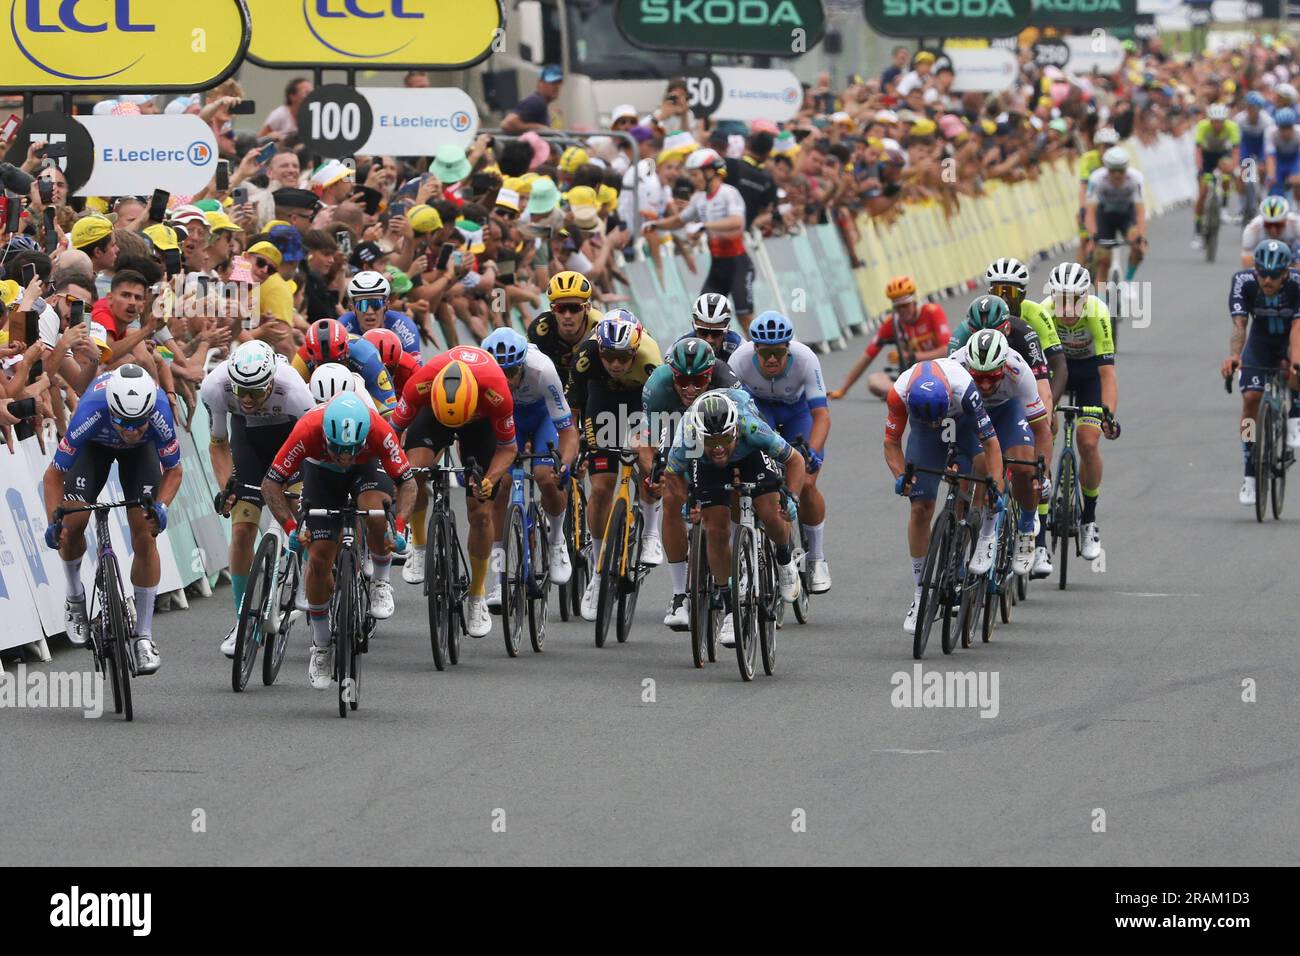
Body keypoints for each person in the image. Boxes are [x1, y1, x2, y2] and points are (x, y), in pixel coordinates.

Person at [262, 394, 416, 689]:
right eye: (339, 449)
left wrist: (397, 525)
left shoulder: (378, 430)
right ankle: (321, 645)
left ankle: (381, 581)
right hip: (321, 473)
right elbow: (271, 483)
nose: (345, 456)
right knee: (319, 557)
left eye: (350, 450)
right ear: (326, 436)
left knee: (376, 515)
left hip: (367, 468)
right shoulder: (308, 428)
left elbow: (407, 481)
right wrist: (291, 527)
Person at [42, 365, 183, 675]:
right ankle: (75, 596)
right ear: (111, 409)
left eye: (138, 424)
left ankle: (144, 637)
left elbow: (174, 469)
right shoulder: (91, 410)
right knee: (71, 526)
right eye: (123, 422)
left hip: (141, 456)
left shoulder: (158, 409)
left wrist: (162, 505)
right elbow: (53, 474)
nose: (131, 431)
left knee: (146, 533)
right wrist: (54, 519)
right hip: (94, 448)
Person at [392, 348, 519, 636]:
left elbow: (508, 448)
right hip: (433, 417)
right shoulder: (419, 385)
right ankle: (420, 545)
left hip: (480, 426)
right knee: (413, 472)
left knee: (481, 512)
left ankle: (476, 595)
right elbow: (392, 435)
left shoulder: (496, 391)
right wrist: (400, 474)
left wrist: (489, 479)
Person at [663, 390, 806, 646]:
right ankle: (730, 609)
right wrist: (688, 502)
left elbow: (796, 461)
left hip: (750, 455)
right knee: (716, 529)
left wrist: (793, 498)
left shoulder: (750, 426)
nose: (718, 447)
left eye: (724, 438)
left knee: (771, 511)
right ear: (699, 436)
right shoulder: (688, 435)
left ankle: (784, 559)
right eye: (711, 440)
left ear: (735, 432)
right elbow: (672, 474)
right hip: (706, 468)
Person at [204, 340, 315, 658]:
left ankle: (314, 585)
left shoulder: (293, 387)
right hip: (248, 445)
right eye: (241, 391)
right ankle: (242, 620)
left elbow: (313, 443)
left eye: (256, 391)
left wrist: (307, 490)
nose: (248, 399)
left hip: (290, 442)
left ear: (271, 381)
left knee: (300, 515)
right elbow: (218, 444)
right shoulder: (215, 386)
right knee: (241, 530)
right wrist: (228, 488)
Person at [883, 358, 1003, 635]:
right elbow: (891, 443)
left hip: (962, 423)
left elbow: (991, 443)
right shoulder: (899, 393)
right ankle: (919, 594)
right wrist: (902, 476)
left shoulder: (965, 388)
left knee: (982, 466)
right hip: (924, 431)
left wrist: (994, 484)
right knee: (920, 508)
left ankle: (986, 529)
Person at [640, 336, 742, 629]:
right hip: (677, 430)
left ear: (710, 375)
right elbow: (650, 439)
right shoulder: (657, 388)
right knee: (671, 498)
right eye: (682, 381)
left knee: (731, 485)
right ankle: (679, 595)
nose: (689, 388)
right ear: (672, 375)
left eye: (698, 381)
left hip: (719, 433)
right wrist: (655, 471)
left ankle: (735, 555)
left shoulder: (727, 381)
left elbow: (740, 432)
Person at [567, 311, 663, 621]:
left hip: (642, 402)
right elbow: (574, 409)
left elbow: (661, 406)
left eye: (624, 357)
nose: (616, 364)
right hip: (602, 400)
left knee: (648, 462)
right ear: (600, 350)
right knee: (601, 486)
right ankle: (598, 571)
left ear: (635, 350)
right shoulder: (586, 356)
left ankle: (650, 532)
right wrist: (575, 446)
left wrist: (648, 444)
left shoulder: (650, 356)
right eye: (609, 356)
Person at [729, 312, 832, 593]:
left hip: (797, 411)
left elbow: (821, 414)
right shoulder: (738, 361)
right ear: (755, 349)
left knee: (807, 483)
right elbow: (731, 412)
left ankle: (816, 558)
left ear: (788, 349)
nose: (772, 359)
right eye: (765, 353)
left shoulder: (806, 358)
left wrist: (811, 451)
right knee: (758, 481)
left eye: (778, 352)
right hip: (761, 412)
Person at [480, 327, 578, 603]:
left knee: (545, 476)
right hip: (507, 419)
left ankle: (557, 540)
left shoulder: (543, 370)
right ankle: (499, 579)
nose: (507, 381)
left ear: (523, 365)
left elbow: (568, 429)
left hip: (542, 416)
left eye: (512, 372)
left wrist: (566, 462)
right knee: (499, 488)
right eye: (500, 374)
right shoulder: (480, 374)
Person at [1038, 263, 1120, 563]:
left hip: (1087, 374)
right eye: (1061, 298)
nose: (1067, 306)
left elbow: (1107, 375)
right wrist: (1044, 410)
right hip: (1052, 372)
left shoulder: (1097, 313)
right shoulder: (1043, 312)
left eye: (1074, 298)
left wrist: (1108, 414)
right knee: (1043, 433)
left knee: (1087, 442)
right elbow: (1035, 371)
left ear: (1085, 298)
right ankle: (1038, 535)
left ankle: (1088, 521)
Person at [949, 329, 1049, 573]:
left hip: (1006, 410)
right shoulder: (954, 368)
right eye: (978, 377)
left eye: (992, 377)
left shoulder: (1019, 370)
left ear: (1003, 367)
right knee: (971, 469)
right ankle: (957, 549)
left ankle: (1025, 528)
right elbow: (945, 422)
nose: (984, 384)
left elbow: (1042, 430)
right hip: (969, 411)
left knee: (1025, 468)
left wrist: (1043, 474)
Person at [645, 148, 755, 334]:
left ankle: (755, 353)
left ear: (710, 172)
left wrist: (705, 226)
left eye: (695, 174)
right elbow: (680, 220)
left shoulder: (728, 192)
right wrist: (657, 224)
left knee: (744, 316)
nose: (692, 179)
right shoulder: (698, 198)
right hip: (718, 265)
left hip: (738, 263)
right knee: (703, 316)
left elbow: (737, 222)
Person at [1224, 239, 1300, 506]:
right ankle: (1249, 473)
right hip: (1259, 344)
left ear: (1286, 273)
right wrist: (1235, 355)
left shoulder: (1297, 285)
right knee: (1251, 399)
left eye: (1274, 275)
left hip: (1290, 342)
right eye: (1262, 273)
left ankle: (1295, 415)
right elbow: (1239, 325)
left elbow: (1297, 329)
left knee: (1297, 367)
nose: (1267, 280)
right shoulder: (1244, 281)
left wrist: (1295, 362)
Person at [830, 276, 950, 399]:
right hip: (913, 376)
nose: (902, 311)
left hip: (939, 371)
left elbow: (946, 350)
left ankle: (908, 395)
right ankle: (909, 394)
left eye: (905, 305)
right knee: (874, 380)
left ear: (914, 301)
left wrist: (911, 356)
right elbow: (866, 357)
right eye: (898, 307)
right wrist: (843, 389)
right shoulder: (892, 323)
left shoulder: (932, 312)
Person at [291, 318, 398, 417]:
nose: (331, 373)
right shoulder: (301, 361)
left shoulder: (366, 356)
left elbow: (389, 411)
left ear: (348, 352)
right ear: (311, 358)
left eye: (338, 363)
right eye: (321, 366)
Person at [1085, 147, 1147, 286]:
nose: (1117, 175)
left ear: (1127, 168)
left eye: (1121, 170)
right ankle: (1100, 302)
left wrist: (1141, 237)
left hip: (1126, 216)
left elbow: (1140, 212)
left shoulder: (1135, 178)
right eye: (1113, 170)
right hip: (1104, 216)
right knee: (1103, 260)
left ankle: (1129, 282)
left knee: (1137, 245)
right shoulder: (1096, 179)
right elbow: (1090, 212)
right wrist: (1092, 236)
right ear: (1106, 168)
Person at [527, 271, 600, 380]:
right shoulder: (539, 329)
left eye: (574, 308)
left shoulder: (600, 329)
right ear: (552, 309)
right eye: (560, 308)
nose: (567, 316)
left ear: (587, 308)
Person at [337, 271, 421, 356]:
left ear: (386, 306)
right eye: (362, 305)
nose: (369, 312)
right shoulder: (342, 327)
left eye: (376, 304)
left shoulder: (405, 327)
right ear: (353, 309)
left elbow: (416, 368)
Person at [678, 293, 744, 361]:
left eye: (716, 333)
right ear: (694, 327)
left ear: (727, 329)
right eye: (703, 332)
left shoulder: (740, 347)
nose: (709, 339)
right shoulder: (680, 346)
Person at [501, 65, 563, 135]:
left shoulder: (541, 103)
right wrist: (538, 127)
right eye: (552, 83)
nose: (557, 87)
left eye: (559, 83)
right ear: (540, 83)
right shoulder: (536, 101)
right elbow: (507, 124)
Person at [1240, 196, 1300, 267]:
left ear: (1285, 220)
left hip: (1292, 257)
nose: (1273, 230)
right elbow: (1247, 262)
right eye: (1268, 225)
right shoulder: (1253, 229)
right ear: (1263, 221)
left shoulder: (1296, 224)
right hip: (1263, 262)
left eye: (1278, 225)